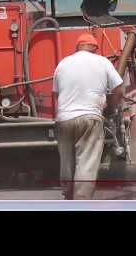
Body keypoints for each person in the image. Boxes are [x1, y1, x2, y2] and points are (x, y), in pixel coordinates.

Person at [52, 33, 124, 200]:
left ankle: (68, 194)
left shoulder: (62, 64)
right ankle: (81, 200)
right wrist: (110, 107)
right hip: (90, 118)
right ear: (94, 48)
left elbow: (56, 93)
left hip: (64, 119)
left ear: (77, 47)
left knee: (66, 159)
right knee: (86, 161)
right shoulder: (102, 62)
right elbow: (119, 90)